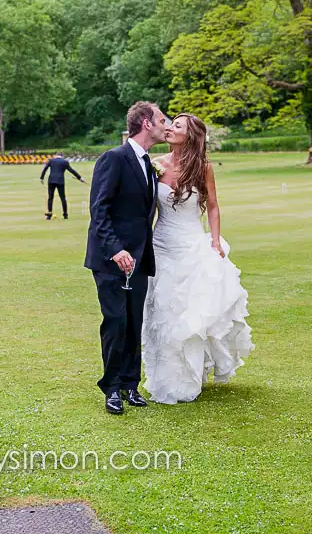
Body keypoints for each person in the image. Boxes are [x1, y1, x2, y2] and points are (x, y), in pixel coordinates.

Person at [142, 114, 253, 404]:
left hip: (191, 245)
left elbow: (214, 207)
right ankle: (163, 378)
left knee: (188, 311)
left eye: (177, 126)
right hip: (161, 245)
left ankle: (188, 376)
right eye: (171, 124)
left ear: (190, 135)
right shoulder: (155, 164)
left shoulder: (202, 167)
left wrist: (215, 242)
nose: (169, 128)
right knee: (162, 310)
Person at [84, 101, 168, 415]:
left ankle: (131, 385)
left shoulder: (149, 164)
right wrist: (116, 249)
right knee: (116, 321)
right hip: (111, 260)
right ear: (146, 123)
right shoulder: (113, 159)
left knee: (135, 323)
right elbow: (99, 211)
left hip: (140, 259)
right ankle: (112, 387)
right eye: (162, 119)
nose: (165, 125)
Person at [40, 151, 86, 220]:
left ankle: (49, 215)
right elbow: (71, 170)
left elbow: (45, 169)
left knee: (50, 197)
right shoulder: (64, 162)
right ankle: (65, 215)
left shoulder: (51, 160)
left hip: (51, 180)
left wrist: (42, 178)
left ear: (56, 155)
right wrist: (80, 178)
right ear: (62, 155)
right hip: (60, 181)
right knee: (63, 198)